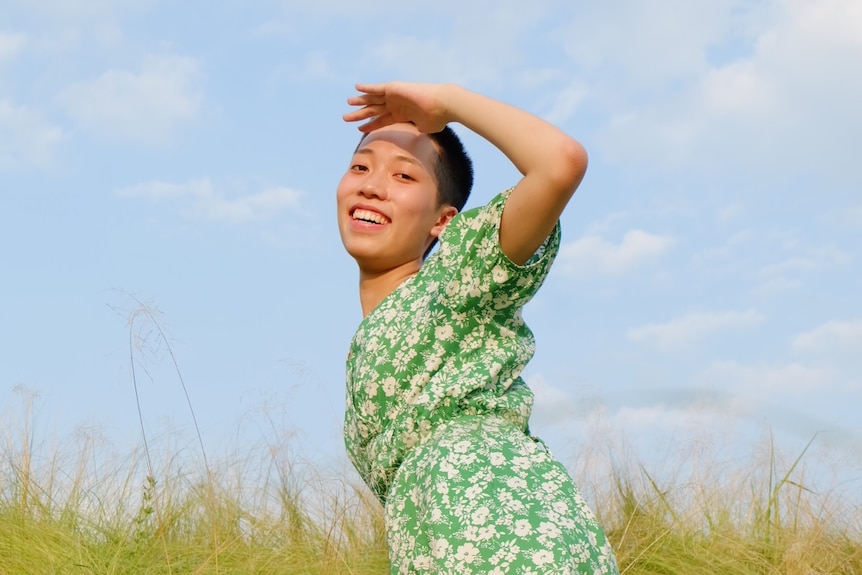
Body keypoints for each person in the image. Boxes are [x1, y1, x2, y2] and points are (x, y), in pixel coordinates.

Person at [337, 81, 619, 575]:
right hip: (439, 543)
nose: (371, 185)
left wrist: (448, 103)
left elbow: (560, 162)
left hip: (507, 528)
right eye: (360, 167)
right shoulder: (370, 340)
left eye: (404, 176)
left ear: (444, 221)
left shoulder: (461, 276)